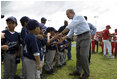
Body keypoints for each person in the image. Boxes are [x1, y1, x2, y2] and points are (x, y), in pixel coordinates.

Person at [58, 9, 91, 79]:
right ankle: (78, 71)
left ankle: (86, 73)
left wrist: (61, 33)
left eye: (67, 14)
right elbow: (71, 32)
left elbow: (69, 27)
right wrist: (63, 38)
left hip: (85, 36)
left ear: (72, 13)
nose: (67, 16)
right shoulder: (74, 21)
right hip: (79, 37)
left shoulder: (78, 17)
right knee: (78, 55)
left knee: (83, 55)